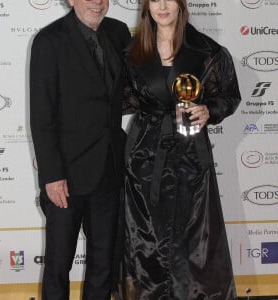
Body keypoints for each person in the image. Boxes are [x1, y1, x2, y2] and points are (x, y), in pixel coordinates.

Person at [119, 0, 241, 299]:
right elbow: (121, 98)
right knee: (143, 241)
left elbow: (229, 95)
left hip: (191, 157)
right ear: (146, 6)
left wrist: (208, 109)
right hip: (144, 158)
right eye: (154, 0)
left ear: (181, 4)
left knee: (196, 242)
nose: (162, 6)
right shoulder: (131, 51)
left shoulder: (207, 51)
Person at [29, 0, 131, 298]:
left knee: (103, 266)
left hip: (110, 172)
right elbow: (41, 116)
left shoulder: (119, 32)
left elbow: (137, 86)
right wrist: (52, 174)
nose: (96, 2)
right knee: (59, 266)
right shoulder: (49, 40)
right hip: (67, 177)